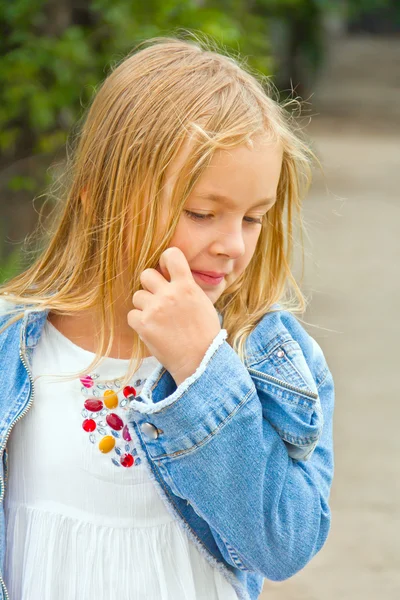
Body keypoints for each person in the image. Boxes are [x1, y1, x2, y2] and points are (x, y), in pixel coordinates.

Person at [0, 34, 334, 600]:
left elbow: (283, 544)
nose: (233, 244)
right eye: (203, 213)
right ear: (98, 199)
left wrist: (203, 373)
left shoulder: (270, 356)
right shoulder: (13, 346)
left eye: (253, 218)